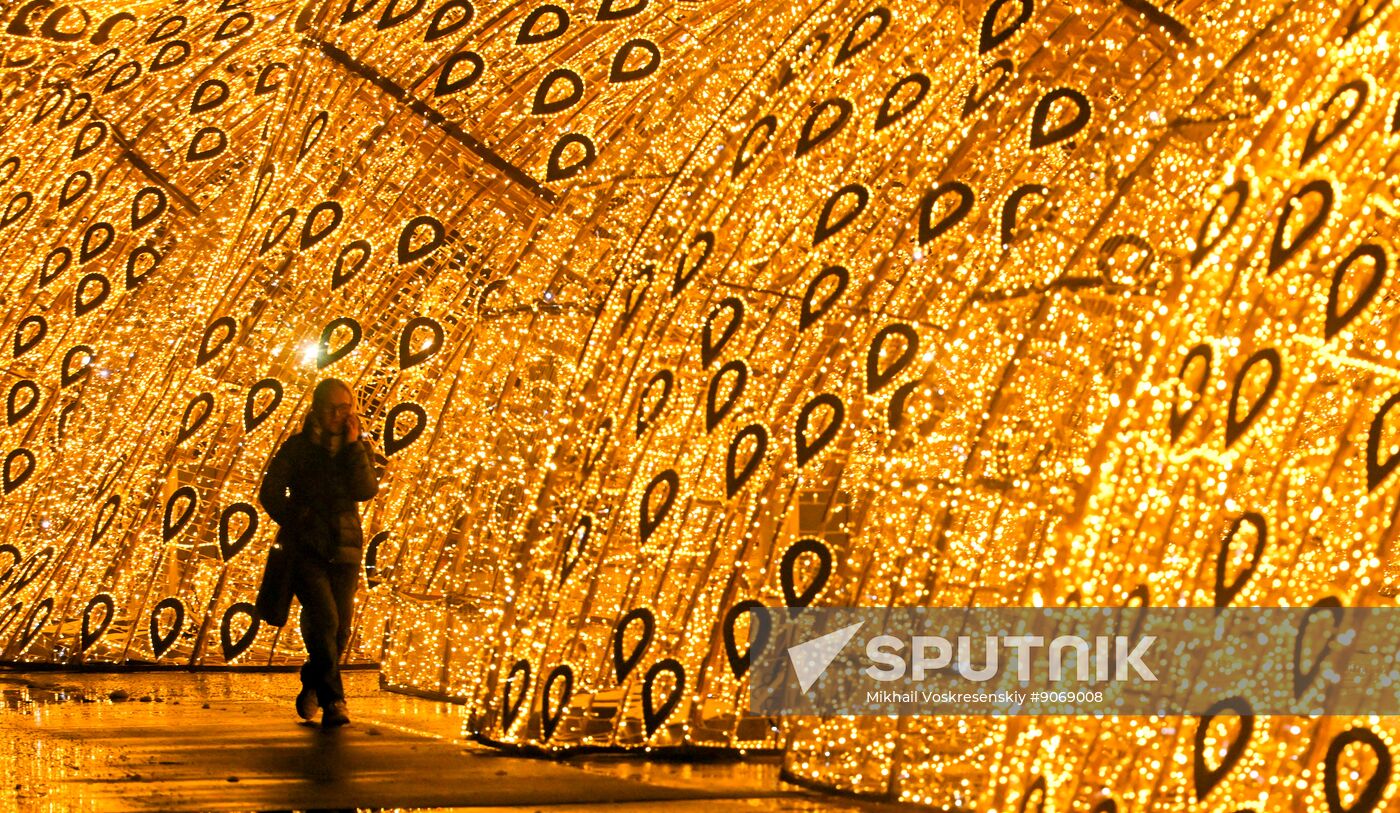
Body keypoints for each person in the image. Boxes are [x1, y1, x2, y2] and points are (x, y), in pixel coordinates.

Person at [258, 378, 379, 728]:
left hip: (345, 546)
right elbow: (269, 492)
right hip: (306, 548)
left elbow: (364, 489)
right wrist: (299, 519)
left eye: (346, 408)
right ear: (316, 409)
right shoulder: (298, 448)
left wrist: (354, 448)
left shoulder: (357, 448)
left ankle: (314, 679)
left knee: (340, 628)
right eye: (332, 408)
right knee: (324, 618)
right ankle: (334, 700)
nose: (339, 415)